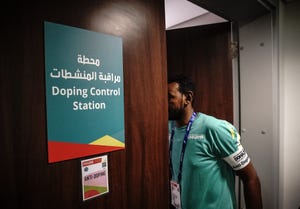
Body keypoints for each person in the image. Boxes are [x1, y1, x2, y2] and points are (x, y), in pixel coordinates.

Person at [168, 74, 262, 209]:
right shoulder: (170, 129)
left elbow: (250, 178)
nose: (163, 102)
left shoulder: (214, 129)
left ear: (187, 98)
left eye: (170, 97)